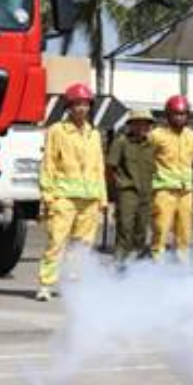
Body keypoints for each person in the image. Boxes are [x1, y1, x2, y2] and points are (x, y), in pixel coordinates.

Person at [37, 83, 107, 301]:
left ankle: (74, 284)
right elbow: (48, 162)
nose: (81, 108)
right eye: (77, 104)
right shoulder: (57, 130)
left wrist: (102, 197)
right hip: (64, 196)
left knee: (82, 245)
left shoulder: (93, 133)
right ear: (69, 106)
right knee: (56, 242)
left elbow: (99, 166)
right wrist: (48, 195)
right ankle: (46, 284)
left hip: (90, 198)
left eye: (85, 104)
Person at [149, 95, 193, 262]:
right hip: (164, 190)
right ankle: (158, 262)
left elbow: (192, 160)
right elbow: (148, 159)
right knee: (161, 228)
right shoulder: (156, 135)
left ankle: (183, 262)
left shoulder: (191, 135)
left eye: (183, 114)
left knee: (185, 230)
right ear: (168, 115)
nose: (180, 117)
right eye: (176, 113)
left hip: (186, 190)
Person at [105, 109, 155, 262]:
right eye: (138, 123)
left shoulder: (151, 145)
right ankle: (119, 265)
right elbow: (110, 168)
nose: (142, 126)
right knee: (125, 229)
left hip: (146, 193)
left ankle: (136, 269)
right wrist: (113, 194)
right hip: (127, 193)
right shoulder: (121, 142)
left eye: (146, 123)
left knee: (141, 231)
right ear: (131, 125)